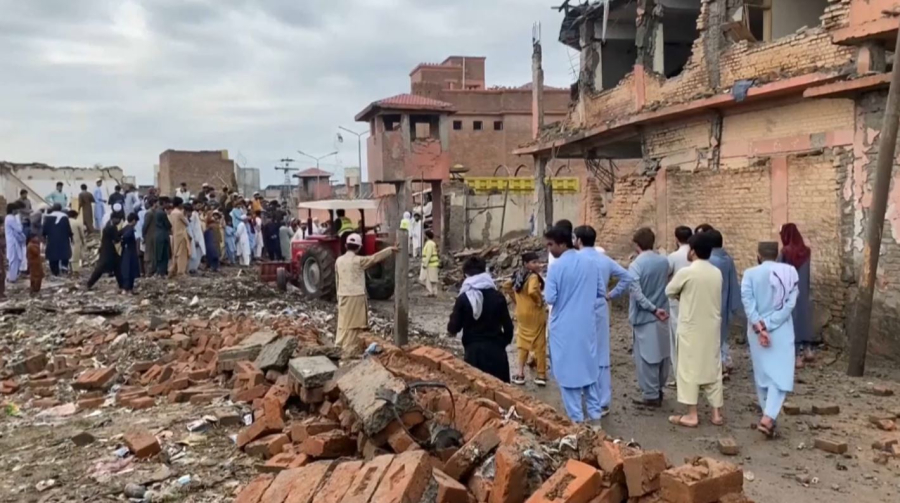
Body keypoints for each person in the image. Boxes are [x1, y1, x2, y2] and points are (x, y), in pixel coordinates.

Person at [544, 225, 605, 426]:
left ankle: (577, 423)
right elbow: (600, 292)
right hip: (587, 326)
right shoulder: (591, 263)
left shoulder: (556, 267)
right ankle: (596, 421)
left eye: (551, 244)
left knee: (568, 377)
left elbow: (550, 298)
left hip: (563, 328)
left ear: (562, 243)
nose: (549, 248)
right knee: (589, 372)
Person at [665, 232, 725, 428]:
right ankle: (716, 413)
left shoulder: (687, 272)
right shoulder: (716, 272)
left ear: (693, 251)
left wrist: (683, 298)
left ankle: (692, 414)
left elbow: (669, 291)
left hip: (691, 327)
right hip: (711, 327)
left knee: (689, 369)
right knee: (713, 367)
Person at [742, 241, 799, 438]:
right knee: (781, 374)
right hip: (781, 329)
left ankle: (768, 414)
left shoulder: (750, 274)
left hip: (756, 331)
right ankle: (768, 417)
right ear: (777, 254)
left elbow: (748, 303)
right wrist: (770, 324)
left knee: (763, 374)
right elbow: (790, 304)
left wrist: (760, 326)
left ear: (758, 255)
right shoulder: (790, 272)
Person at [574, 225, 633, 416]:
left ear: (579, 240)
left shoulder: (575, 260)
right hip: (600, 306)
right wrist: (611, 294)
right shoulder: (603, 260)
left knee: (581, 351)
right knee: (601, 352)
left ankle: (584, 395)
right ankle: (602, 400)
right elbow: (627, 277)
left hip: (580, 307)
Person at [448, 257, 514, 382]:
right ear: (485, 272)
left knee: (477, 393)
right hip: (497, 352)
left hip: (474, 353)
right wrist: (502, 343)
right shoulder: (498, 296)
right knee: (501, 393)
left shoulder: (464, 298)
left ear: (465, 275)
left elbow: (453, 327)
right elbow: (509, 327)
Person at [627, 228, 671, 408]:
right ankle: (659, 389)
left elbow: (636, 293)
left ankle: (651, 394)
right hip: (663, 314)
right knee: (662, 354)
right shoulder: (663, 262)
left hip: (646, 316)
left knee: (646, 358)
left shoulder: (636, 265)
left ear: (637, 245)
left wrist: (652, 309)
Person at [335, 233, 397, 353]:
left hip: (342, 295)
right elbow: (374, 258)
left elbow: (337, 280)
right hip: (356, 296)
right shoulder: (358, 261)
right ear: (358, 247)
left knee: (343, 323)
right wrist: (390, 250)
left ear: (345, 245)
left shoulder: (338, 261)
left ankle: (339, 345)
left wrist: (338, 296)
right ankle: (350, 349)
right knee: (355, 325)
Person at [510, 252, 548, 386]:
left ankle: (520, 374)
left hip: (521, 313)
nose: (537, 265)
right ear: (526, 264)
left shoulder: (517, 275)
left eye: (538, 262)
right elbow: (532, 291)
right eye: (534, 262)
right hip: (534, 314)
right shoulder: (532, 277)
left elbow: (507, 286)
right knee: (539, 343)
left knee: (522, 342)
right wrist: (539, 301)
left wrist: (517, 300)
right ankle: (541, 374)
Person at [779, 223, 814, 368]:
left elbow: (779, 272)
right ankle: (808, 350)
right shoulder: (806, 251)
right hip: (803, 290)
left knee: (792, 321)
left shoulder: (785, 252)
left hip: (789, 291)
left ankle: (796, 356)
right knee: (804, 318)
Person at [707, 229, 741, 374]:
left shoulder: (710, 261)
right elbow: (734, 282)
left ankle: (717, 367)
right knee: (721, 336)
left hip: (711, 304)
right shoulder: (727, 259)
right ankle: (723, 361)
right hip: (724, 303)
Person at [667, 225, 693, 385]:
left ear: (676, 239)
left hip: (676, 301)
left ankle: (680, 376)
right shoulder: (697, 254)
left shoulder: (673, 257)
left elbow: (667, 275)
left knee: (676, 338)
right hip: (694, 300)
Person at [87, 212, 124, 290]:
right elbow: (116, 239)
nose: (119, 221)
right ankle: (89, 283)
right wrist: (122, 235)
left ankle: (122, 285)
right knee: (101, 268)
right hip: (108, 251)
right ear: (114, 218)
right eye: (119, 219)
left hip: (107, 249)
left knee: (117, 268)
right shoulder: (112, 227)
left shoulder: (108, 224)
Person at [42, 204, 72, 276]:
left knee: (53, 255)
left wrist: (44, 237)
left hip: (52, 239)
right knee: (64, 254)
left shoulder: (47, 217)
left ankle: (55, 272)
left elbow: (44, 230)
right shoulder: (64, 217)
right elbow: (68, 229)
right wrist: (71, 236)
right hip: (63, 239)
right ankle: (64, 268)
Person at [168, 198, 191, 277]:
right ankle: (181, 271)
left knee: (175, 253)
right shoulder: (179, 213)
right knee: (182, 254)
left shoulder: (172, 213)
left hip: (175, 234)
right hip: (181, 235)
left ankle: (173, 269)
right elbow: (187, 223)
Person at [5, 202, 26, 283]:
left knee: (15, 260)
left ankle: (12, 276)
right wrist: (21, 224)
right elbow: (19, 229)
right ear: (13, 210)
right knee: (14, 260)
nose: (17, 211)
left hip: (13, 241)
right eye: (16, 209)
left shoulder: (9, 217)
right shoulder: (11, 218)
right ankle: (12, 278)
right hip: (13, 242)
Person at [121, 213, 140, 294]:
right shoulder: (130, 229)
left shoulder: (125, 228)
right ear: (133, 221)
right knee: (130, 270)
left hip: (126, 251)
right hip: (130, 251)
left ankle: (127, 288)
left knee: (126, 270)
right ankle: (128, 288)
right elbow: (125, 236)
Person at [152, 197, 173, 276]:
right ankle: (162, 271)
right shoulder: (162, 213)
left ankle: (159, 271)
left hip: (157, 234)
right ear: (164, 203)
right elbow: (168, 225)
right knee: (164, 254)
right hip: (163, 235)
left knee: (159, 253)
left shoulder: (156, 212)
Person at [419, 229, 440, 296]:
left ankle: (430, 292)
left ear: (427, 236)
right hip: (433, 263)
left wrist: (425, 264)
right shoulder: (431, 243)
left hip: (430, 264)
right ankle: (434, 292)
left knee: (428, 279)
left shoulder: (429, 244)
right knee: (433, 279)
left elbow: (429, 254)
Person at [186, 204, 205, 274]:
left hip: (197, 238)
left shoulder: (195, 215)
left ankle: (194, 268)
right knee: (192, 255)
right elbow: (191, 229)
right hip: (193, 238)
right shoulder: (192, 217)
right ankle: (190, 269)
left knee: (197, 254)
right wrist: (195, 239)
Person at [141, 199, 157, 276]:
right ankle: (148, 271)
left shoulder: (154, 212)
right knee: (148, 254)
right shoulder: (149, 213)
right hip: (149, 236)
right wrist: (143, 236)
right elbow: (145, 226)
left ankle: (151, 271)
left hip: (153, 236)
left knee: (152, 253)